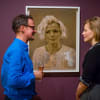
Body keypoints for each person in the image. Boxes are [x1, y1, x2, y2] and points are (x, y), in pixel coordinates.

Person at [1, 14, 43, 100]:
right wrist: (34, 75)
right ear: (22, 28)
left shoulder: (20, 48)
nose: (34, 31)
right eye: (32, 27)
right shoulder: (17, 50)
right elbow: (13, 80)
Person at [76, 16, 100, 100]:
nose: (82, 33)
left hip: (93, 93)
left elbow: (85, 81)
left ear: (94, 31)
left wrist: (77, 94)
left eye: (85, 30)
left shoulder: (94, 52)